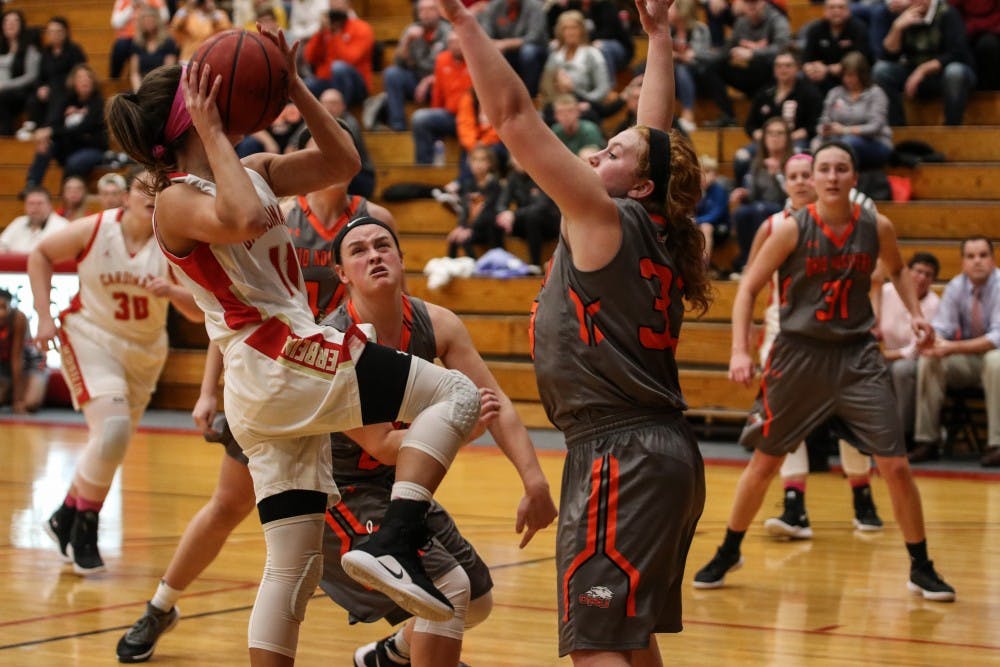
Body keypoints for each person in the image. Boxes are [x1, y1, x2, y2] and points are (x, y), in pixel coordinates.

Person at [106, 27, 483, 664]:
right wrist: (214, 132)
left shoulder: (250, 171)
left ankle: (387, 541)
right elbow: (245, 220)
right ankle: (394, 537)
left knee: (294, 563)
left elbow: (342, 164)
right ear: (193, 112)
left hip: (269, 381)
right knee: (457, 392)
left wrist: (294, 86)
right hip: (281, 358)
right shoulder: (172, 200)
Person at [116, 216, 558, 665]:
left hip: (400, 487)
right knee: (448, 589)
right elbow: (382, 445)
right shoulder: (332, 342)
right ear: (342, 274)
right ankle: (160, 604)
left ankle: (390, 656)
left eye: (384, 246)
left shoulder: (436, 321)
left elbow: (495, 400)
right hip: (340, 488)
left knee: (477, 602)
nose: (375, 255)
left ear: (403, 259)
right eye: (360, 251)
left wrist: (534, 481)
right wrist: (463, 424)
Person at [440, 0, 711, 662]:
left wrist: (465, 26)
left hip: (619, 452)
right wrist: (656, 39)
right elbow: (655, 140)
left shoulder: (603, 216)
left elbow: (511, 117)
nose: (594, 152)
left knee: (595, 645)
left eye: (609, 151)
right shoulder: (658, 229)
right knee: (626, 636)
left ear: (639, 185)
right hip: (662, 452)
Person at [693, 141, 956, 603]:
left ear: (855, 178)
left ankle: (921, 566)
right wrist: (739, 350)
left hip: (858, 356)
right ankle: (729, 549)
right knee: (766, 461)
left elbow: (897, 271)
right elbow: (747, 289)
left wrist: (916, 313)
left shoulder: (878, 226)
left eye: (842, 169)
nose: (833, 177)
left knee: (894, 464)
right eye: (825, 170)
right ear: (812, 180)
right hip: (799, 355)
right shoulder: (791, 230)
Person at [31, 170, 204, 575]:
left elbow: (198, 313)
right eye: (143, 186)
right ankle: (85, 527)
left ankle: (65, 515)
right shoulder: (94, 229)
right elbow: (40, 254)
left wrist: (175, 292)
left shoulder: (173, 243)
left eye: (160, 189)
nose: (151, 194)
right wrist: (43, 316)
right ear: (124, 196)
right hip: (91, 336)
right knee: (111, 432)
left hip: (145, 352)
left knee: (112, 443)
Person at [746, 153, 884, 539]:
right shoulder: (774, 226)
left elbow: (883, 269)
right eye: (795, 176)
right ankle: (794, 506)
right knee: (785, 420)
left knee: (851, 415)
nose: (803, 181)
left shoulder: (856, 220)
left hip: (843, 332)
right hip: (785, 332)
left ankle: (862, 496)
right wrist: (745, 341)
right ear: (785, 183)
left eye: (808, 174)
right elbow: (750, 285)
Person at [912, 237, 1000, 467]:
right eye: (971, 256)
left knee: (995, 360)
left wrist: (952, 347)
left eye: (983, 255)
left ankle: (997, 444)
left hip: (994, 358)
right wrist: (932, 341)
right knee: (929, 361)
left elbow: (996, 338)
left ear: (993, 259)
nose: (977, 261)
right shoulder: (955, 286)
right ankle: (927, 441)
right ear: (963, 262)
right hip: (970, 360)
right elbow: (943, 327)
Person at [872, 0, 978, 125]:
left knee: (955, 72)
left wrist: (922, 70)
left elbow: (957, 54)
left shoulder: (947, 13)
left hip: (944, 74)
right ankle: (898, 128)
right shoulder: (904, 15)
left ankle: (951, 129)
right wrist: (897, 28)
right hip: (913, 74)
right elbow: (888, 57)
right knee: (881, 71)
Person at [877, 252, 940, 452]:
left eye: (928, 275)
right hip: (880, 354)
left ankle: (902, 435)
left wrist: (885, 356)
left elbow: (918, 346)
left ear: (933, 280)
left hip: (913, 359)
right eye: (918, 271)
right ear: (908, 272)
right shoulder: (886, 292)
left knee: (902, 370)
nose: (922, 278)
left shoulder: (934, 304)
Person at [700, 0, 791, 127]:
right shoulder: (741, 23)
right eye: (747, 2)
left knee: (778, 65)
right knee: (711, 67)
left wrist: (753, 53)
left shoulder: (777, 20)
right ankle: (728, 115)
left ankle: (770, 117)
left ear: (764, 3)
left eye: (755, 2)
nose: (751, 6)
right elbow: (725, 51)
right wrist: (702, 55)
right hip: (747, 74)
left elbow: (783, 48)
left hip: (769, 76)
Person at [22, 64, 108, 195]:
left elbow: (83, 128)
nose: (84, 81)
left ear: (93, 81)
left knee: (74, 162)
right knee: (45, 145)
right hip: (69, 145)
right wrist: (53, 130)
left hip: (92, 147)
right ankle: (32, 184)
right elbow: (54, 122)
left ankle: (65, 197)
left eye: (88, 77)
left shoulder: (98, 103)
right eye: (80, 78)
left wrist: (55, 131)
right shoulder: (67, 100)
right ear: (74, 82)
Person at [370, 0, 451, 132]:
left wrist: (428, 80)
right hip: (416, 80)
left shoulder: (448, 32)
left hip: (439, 82)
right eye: (422, 10)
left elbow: (452, 66)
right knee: (392, 73)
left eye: (431, 9)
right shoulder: (411, 30)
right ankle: (397, 125)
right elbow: (399, 62)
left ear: (439, 12)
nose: (426, 14)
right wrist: (407, 41)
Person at [813, 51, 892, 169]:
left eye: (852, 75)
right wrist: (823, 129)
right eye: (845, 75)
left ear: (862, 75)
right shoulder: (835, 93)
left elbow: (875, 127)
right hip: (838, 139)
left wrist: (845, 130)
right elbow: (824, 119)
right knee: (816, 144)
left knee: (847, 143)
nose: (847, 79)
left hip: (875, 143)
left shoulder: (876, 93)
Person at [19, 17, 88, 140]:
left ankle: (50, 128)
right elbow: (40, 76)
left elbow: (81, 73)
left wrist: (56, 86)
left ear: (66, 32)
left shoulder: (74, 50)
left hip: (69, 89)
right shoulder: (45, 52)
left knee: (57, 93)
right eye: (51, 32)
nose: (54, 35)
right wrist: (41, 87)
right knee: (33, 97)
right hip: (49, 89)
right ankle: (33, 126)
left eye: (58, 31)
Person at [539, 10, 611, 126]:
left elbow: (603, 89)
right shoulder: (554, 55)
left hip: (584, 104)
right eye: (565, 29)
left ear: (582, 30)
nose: (570, 32)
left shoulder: (593, 54)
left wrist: (578, 94)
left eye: (574, 28)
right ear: (560, 32)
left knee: (587, 114)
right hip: (557, 105)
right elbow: (545, 87)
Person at [411, 31, 472, 165]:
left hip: (471, 118)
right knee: (420, 118)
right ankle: (424, 168)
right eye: (451, 42)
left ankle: (466, 176)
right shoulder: (442, 59)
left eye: (458, 41)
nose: (455, 45)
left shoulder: (475, 60)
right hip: (450, 116)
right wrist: (435, 112)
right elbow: (437, 92)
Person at [302, 0, 374, 105]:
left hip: (356, 84)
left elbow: (351, 59)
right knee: (306, 85)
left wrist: (336, 34)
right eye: (332, 5)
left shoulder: (362, 28)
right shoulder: (325, 30)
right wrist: (321, 33)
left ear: (348, 6)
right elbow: (310, 58)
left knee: (339, 68)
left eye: (339, 4)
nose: (335, 8)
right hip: (328, 81)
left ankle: (342, 115)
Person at [494, 153, 560, 268]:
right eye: (515, 157)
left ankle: (535, 264)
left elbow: (542, 206)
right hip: (524, 222)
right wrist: (504, 214)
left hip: (548, 224)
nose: (518, 161)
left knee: (533, 217)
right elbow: (501, 203)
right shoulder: (513, 177)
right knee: (496, 219)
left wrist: (513, 215)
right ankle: (501, 262)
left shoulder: (542, 175)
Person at [476, 0, 549, 97]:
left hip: (535, 49)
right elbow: (485, 33)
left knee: (528, 52)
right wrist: (494, 44)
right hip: (504, 50)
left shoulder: (534, 6)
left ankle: (529, 96)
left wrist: (506, 44)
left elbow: (535, 36)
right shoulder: (494, 6)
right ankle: (494, 97)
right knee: (485, 52)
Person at [445, 145, 504, 258]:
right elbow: (464, 210)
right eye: (475, 160)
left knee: (465, 239)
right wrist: (461, 226)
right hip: (473, 227)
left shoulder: (494, 184)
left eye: (482, 160)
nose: (478, 164)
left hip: (489, 229)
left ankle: (476, 269)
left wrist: (470, 229)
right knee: (454, 238)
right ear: (469, 163)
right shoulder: (468, 184)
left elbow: (489, 212)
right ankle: (451, 265)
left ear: (490, 163)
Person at [802, 0, 873, 93]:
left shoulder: (859, 28)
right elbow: (807, 59)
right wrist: (810, 69)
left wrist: (827, 69)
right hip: (821, 76)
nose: (836, 11)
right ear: (825, 11)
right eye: (832, 7)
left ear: (848, 11)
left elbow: (860, 59)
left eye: (841, 7)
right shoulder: (815, 29)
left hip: (851, 74)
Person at [0, 288, 48, 413]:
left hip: (30, 364)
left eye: (4, 307)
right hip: (4, 366)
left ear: (11, 307)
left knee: (31, 403)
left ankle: (17, 394)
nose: (1, 313)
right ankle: (7, 392)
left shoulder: (18, 318)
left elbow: (17, 359)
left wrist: (18, 400)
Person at [0, 9, 41, 136]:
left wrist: (5, 86)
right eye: (6, 21)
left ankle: (4, 136)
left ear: (21, 25)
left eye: (15, 21)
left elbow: (31, 76)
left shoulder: (29, 47)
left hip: (21, 92)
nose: (10, 24)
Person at [0, 187, 70, 254]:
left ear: (49, 206)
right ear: (25, 206)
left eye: (40, 204)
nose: (35, 208)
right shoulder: (18, 222)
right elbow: (2, 247)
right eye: (31, 203)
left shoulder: (63, 227)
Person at [128, 6, 179, 92]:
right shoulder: (137, 43)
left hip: (162, 86)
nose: (148, 23)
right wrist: (138, 90)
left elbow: (169, 71)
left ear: (157, 22)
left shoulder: (168, 42)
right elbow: (134, 73)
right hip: (143, 86)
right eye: (146, 21)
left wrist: (157, 91)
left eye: (151, 20)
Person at [694, 153, 730, 269]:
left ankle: (703, 266)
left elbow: (717, 213)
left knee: (706, 227)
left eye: (710, 173)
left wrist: (696, 220)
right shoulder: (692, 189)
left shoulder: (718, 190)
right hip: (697, 223)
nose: (705, 176)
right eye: (703, 172)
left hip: (719, 225)